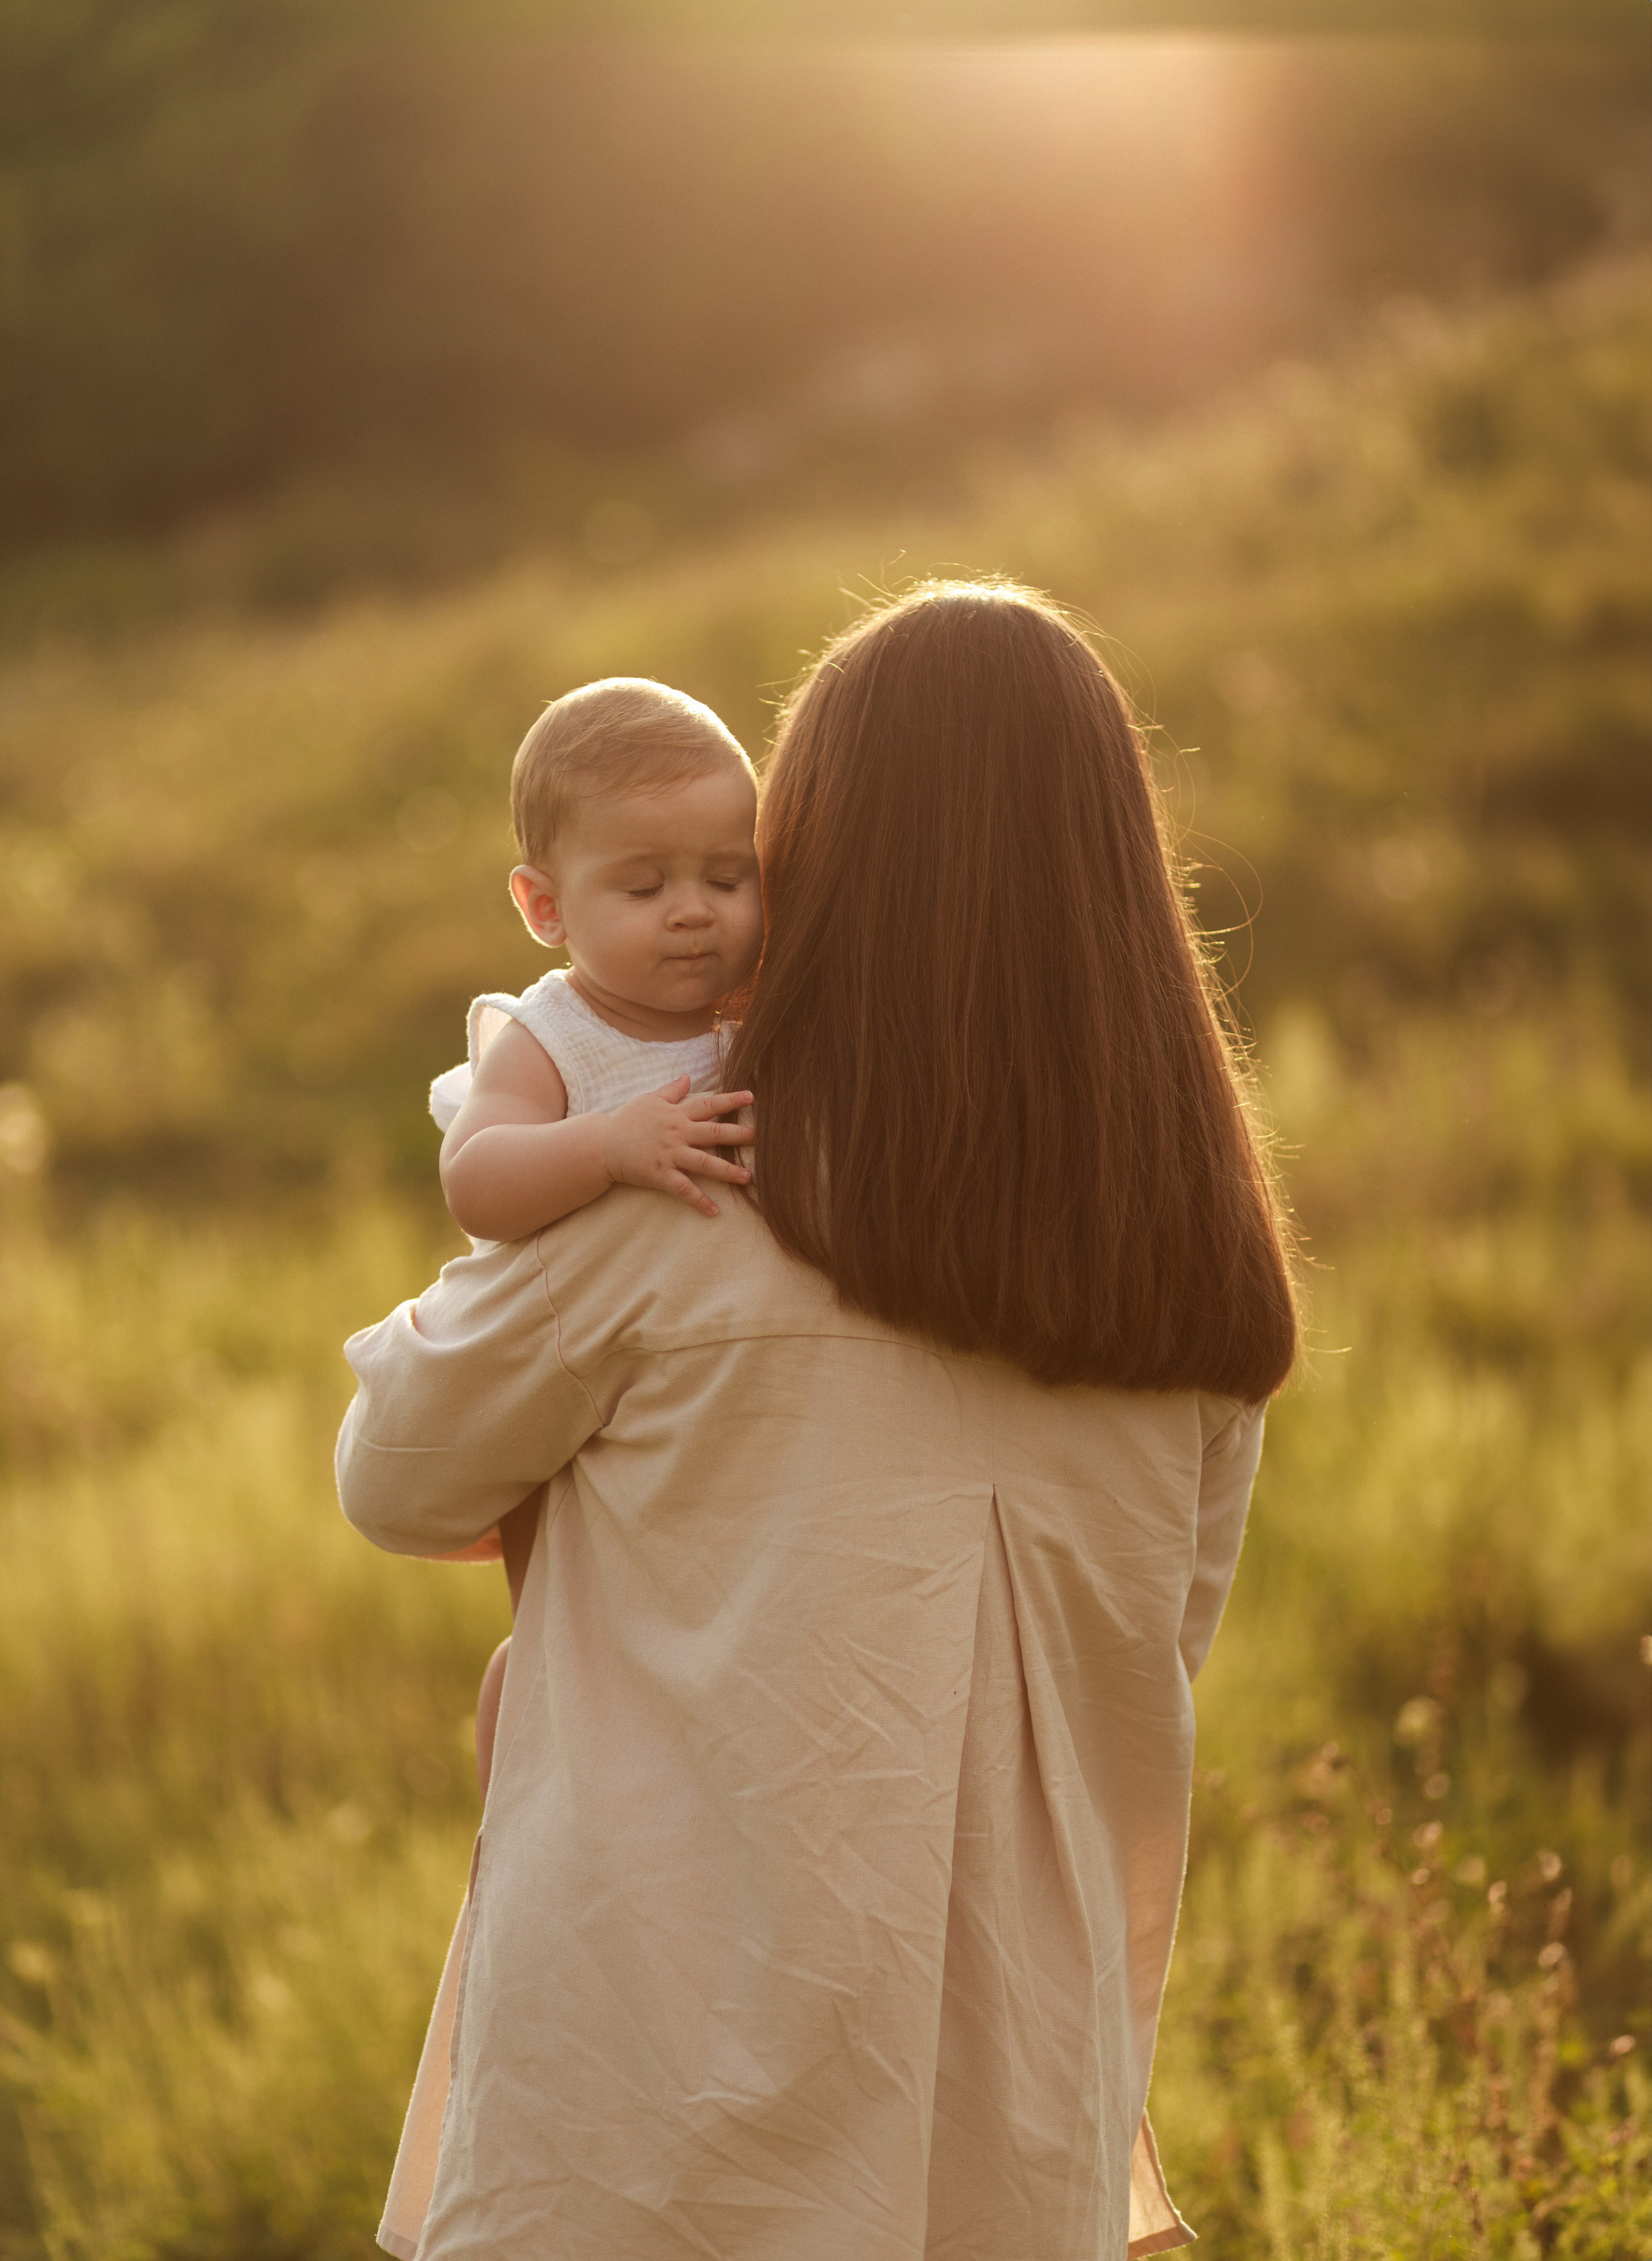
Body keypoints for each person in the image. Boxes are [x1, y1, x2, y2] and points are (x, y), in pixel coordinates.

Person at [337, 579, 1298, 2261]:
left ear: (824, 867)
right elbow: (1162, 1646)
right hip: (1014, 2099)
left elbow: (397, 1475)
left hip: (665, 2081)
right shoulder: (1192, 1289)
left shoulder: (681, 1205)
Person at [425, 675, 762, 1780]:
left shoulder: (754, 1012)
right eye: (644, 884)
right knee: (569, 1625)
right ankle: (525, 1785)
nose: (693, 910)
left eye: (728, 876)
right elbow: (476, 1177)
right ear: (546, 908)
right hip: (554, 1390)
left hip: (700, 1390)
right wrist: (607, 1146)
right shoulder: (551, 1035)